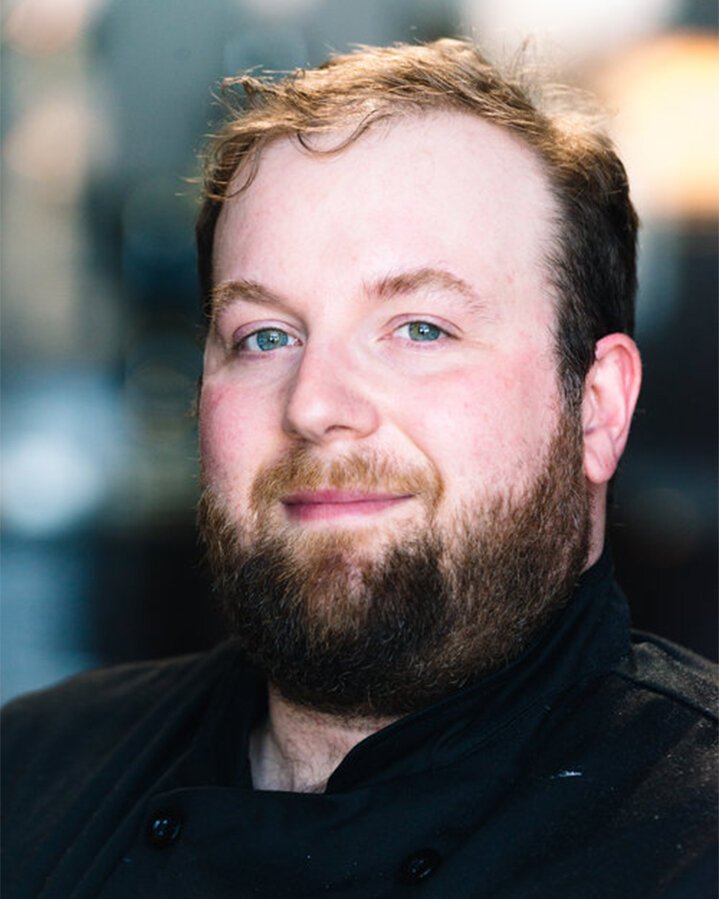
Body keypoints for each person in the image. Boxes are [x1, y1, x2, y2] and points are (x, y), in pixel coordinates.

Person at [2, 38, 716, 899]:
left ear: (597, 407)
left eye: (420, 328)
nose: (313, 404)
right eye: (265, 336)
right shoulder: (28, 772)